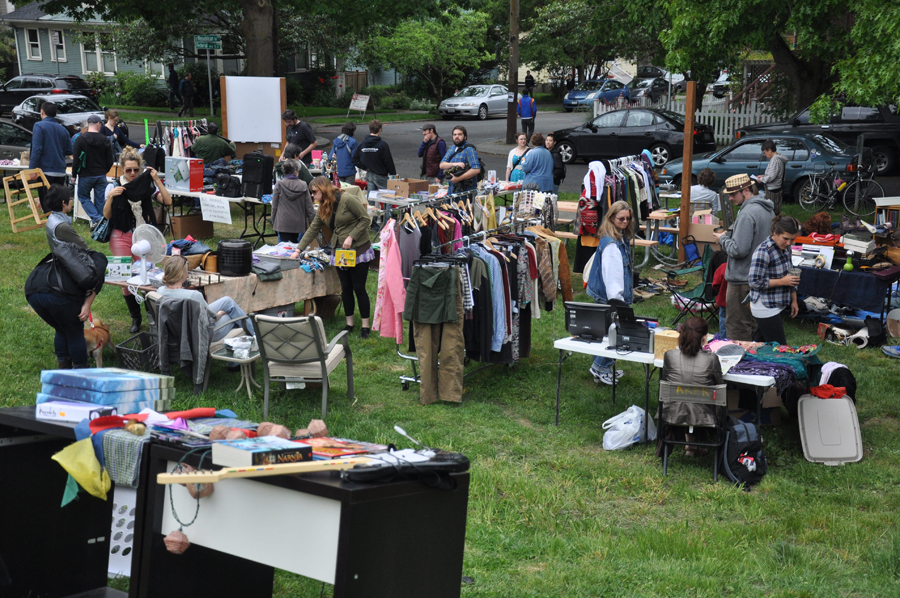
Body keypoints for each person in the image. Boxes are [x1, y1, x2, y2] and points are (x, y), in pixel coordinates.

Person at [26, 185, 107, 369]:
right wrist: (87, 305)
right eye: (70, 199)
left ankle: (64, 367)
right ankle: (81, 373)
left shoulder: (52, 220)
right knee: (74, 332)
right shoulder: (63, 226)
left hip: (35, 287)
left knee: (62, 329)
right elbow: (83, 247)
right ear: (64, 203)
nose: (71, 201)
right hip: (61, 286)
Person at [290, 176, 373, 338]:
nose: (312, 195)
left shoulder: (348, 199)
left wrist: (351, 237)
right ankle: (349, 324)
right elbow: (312, 230)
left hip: (359, 250)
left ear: (323, 189)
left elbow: (365, 219)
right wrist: (298, 250)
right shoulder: (322, 207)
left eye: (314, 192)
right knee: (346, 289)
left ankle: (365, 326)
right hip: (340, 252)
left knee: (359, 288)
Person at [102, 148, 172, 333]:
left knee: (148, 276)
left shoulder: (145, 185)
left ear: (140, 169)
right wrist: (111, 197)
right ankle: (136, 318)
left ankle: (152, 316)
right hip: (121, 235)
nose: (132, 173)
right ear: (122, 169)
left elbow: (167, 201)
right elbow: (107, 215)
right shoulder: (113, 186)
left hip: (144, 236)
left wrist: (157, 180)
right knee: (125, 278)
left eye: (136, 170)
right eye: (128, 170)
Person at [712, 174, 775, 341]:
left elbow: (739, 250)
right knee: (755, 326)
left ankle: (738, 364)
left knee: (738, 329)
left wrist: (722, 239)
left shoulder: (747, 213)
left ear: (746, 190)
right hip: (759, 277)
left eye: (733, 194)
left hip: (742, 280)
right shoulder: (767, 209)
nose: (731, 198)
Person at [659, 317, 725, 456]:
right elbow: (720, 387)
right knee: (700, 400)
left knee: (686, 398)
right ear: (704, 338)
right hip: (705, 415)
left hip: (672, 413)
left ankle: (690, 446)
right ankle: (694, 446)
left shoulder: (670, 356)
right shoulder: (711, 359)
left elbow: (664, 382)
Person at [585, 200, 634, 385]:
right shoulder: (612, 246)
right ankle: (600, 368)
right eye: (621, 218)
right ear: (612, 218)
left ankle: (603, 366)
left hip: (607, 296)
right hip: (611, 298)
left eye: (628, 218)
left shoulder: (617, 238)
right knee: (614, 333)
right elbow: (612, 277)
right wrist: (618, 302)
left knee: (608, 332)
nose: (625, 222)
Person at [157, 256, 254, 344]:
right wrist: (220, 313)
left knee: (227, 301)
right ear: (183, 274)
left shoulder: (159, 291)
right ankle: (255, 337)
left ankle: (244, 347)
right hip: (201, 333)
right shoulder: (193, 296)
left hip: (176, 331)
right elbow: (210, 319)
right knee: (233, 316)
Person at [748, 216, 801, 344]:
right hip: (765, 306)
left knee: (760, 344)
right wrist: (782, 281)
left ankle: (751, 363)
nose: (789, 243)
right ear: (775, 233)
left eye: (792, 239)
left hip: (779, 303)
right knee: (779, 347)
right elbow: (754, 281)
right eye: (786, 239)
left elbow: (791, 275)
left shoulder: (785, 248)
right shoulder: (763, 251)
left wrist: (794, 300)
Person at [72, 114, 114, 230]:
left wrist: (74, 175)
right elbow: (110, 160)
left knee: (83, 196)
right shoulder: (105, 140)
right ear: (98, 124)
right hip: (100, 174)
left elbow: (76, 159)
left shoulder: (81, 139)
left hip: (85, 174)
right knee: (100, 199)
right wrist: (104, 170)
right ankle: (102, 225)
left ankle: (97, 219)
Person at [29, 101, 72, 212]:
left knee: (47, 202)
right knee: (57, 201)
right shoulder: (63, 129)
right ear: (56, 114)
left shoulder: (39, 126)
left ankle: (51, 224)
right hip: (60, 170)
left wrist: (32, 169)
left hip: (45, 171)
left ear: (42, 112)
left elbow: (37, 148)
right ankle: (57, 222)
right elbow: (69, 150)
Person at [271, 160, 315, 243]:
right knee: (296, 249)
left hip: (283, 222)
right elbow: (309, 207)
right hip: (298, 224)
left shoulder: (279, 184)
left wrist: (274, 222)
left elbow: (274, 206)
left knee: (283, 249)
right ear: (295, 171)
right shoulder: (303, 185)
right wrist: (312, 223)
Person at [351, 119, 396, 191]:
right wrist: (393, 174)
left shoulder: (362, 144)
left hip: (369, 174)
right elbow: (388, 161)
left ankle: (370, 203)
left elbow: (354, 159)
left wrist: (364, 167)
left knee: (371, 196)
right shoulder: (382, 145)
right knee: (386, 196)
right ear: (380, 129)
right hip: (381, 174)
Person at [440, 126, 482, 194]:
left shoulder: (469, 149)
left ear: (465, 137)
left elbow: (476, 169)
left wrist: (458, 179)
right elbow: (441, 165)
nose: (457, 136)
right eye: (455, 134)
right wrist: (454, 164)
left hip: (466, 192)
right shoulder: (452, 148)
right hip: (451, 190)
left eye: (459, 134)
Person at [756, 139, 789, 214]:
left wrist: (761, 179)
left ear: (770, 150)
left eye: (765, 152)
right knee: (775, 209)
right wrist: (763, 176)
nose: (764, 155)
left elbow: (771, 177)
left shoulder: (775, 160)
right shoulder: (778, 158)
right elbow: (774, 173)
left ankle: (773, 224)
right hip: (777, 187)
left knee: (771, 210)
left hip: (773, 189)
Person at [712, 262, 728, 338]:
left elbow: (715, 284)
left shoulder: (723, 267)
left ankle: (723, 339)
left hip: (724, 301)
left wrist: (720, 292)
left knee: (723, 322)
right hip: (739, 304)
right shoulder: (746, 267)